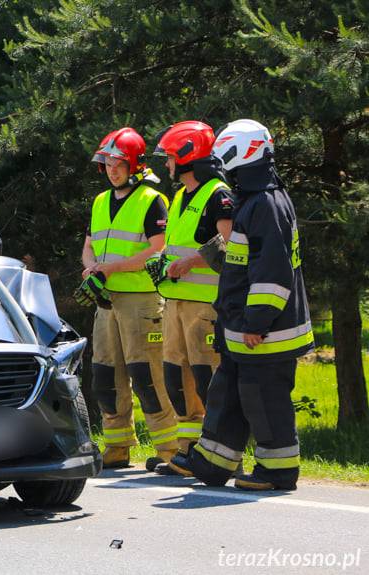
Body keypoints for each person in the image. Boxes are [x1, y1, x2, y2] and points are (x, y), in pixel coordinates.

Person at [168, 119, 313, 490]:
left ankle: (278, 471)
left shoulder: (265, 203)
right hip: (241, 325)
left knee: (263, 399)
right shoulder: (253, 198)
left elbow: (271, 272)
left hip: (266, 332)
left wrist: (256, 323)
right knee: (228, 393)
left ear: (240, 154)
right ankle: (213, 463)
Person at [81, 127, 179, 469]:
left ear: (135, 164)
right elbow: (89, 245)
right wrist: (90, 268)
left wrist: (113, 268)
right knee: (106, 376)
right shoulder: (100, 201)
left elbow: (158, 249)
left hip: (141, 301)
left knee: (147, 374)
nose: (112, 170)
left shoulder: (152, 200)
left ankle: (170, 448)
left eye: (119, 164)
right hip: (107, 301)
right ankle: (117, 446)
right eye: (108, 164)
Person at [149, 121, 235, 473]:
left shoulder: (218, 194)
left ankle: (221, 453)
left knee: (207, 378)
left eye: (170, 157)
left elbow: (229, 243)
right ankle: (188, 452)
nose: (167, 164)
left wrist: (189, 263)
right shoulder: (181, 196)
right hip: (175, 302)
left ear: (188, 156)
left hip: (205, 305)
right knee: (177, 377)